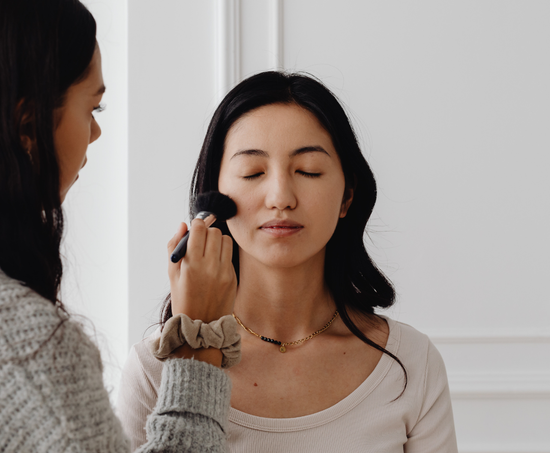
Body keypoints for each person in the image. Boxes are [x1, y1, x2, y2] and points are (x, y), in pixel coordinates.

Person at [117, 72, 459, 452]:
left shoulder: (411, 364)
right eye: (253, 172)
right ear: (214, 197)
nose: (280, 196)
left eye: (308, 170)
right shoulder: (154, 370)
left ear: (347, 197)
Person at [0, 0, 238, 452]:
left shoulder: (409, 363)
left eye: (309, 170)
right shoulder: (30, 352)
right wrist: (199, 346)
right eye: (94, 107)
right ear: (28, 125)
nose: (96, 130)